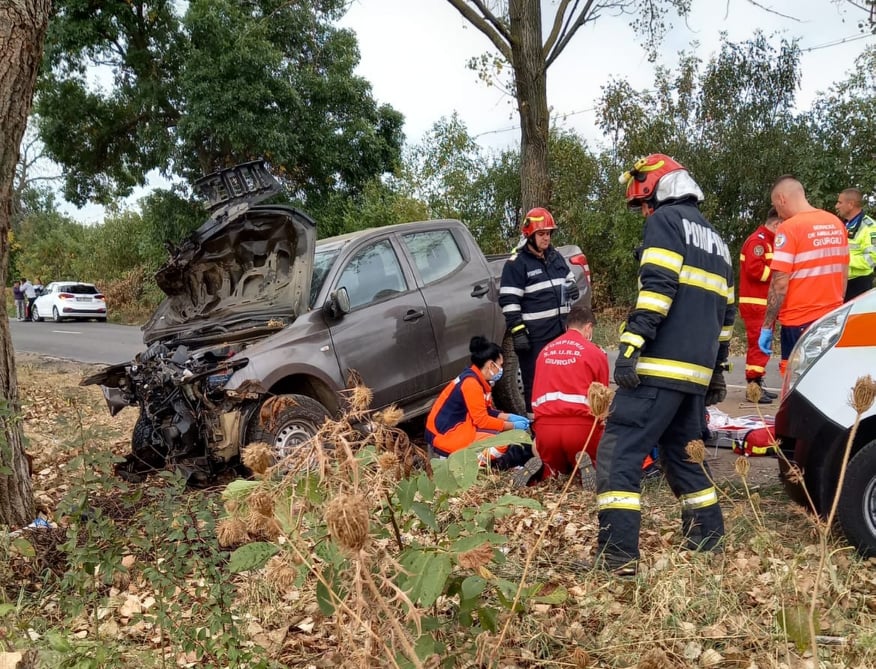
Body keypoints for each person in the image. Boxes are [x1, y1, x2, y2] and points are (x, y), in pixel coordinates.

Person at [592, 153, 735, 576]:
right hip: (694, 376)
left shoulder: (665, 223)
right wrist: (717, 371)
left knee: (618, 454)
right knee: (683, 456)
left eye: (643, 203)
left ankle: (617, 557)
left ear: (656, 190)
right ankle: (708, 541)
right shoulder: (718, 242)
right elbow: (727, 315)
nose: (644, 213)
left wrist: (631, 346)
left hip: (659, 369)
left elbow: (657, 289)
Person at [759, 177, 849, 375]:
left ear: (781, 199)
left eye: (776, 205)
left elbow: (780, 284)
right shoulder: (836, 224)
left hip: (798, 321)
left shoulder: (789, 228)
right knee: (826, 376)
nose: (778, 213)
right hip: (833, 319)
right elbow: (844, 275)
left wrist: (767, 325)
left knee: (796, 380)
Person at [511, 306, 609, 486]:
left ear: (566, 326)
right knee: (605, 449)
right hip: (581, 429)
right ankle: (584, 469)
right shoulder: (595, 353)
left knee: (545, 457)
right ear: (588, 327)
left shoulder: (545, 352)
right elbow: (602, 400)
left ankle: (546, 470)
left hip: (546, 430)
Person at [499, 207, 578, 412]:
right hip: (535, 337)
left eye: (548, 233)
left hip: (560, 332)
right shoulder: (516, 264)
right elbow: (509, 301)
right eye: (541, 234)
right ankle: (535, 426)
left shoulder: (555, 256)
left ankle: (560, 420)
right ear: (530, 235)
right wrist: (518, 332)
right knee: (535, 384)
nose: (546, 238)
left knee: (561, 379)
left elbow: (569, 278)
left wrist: (572, 287)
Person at [425, 336, 531, 463]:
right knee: (501, 444)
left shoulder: (475, 379)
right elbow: (482, 421)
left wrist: (509, 417)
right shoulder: (471, 385)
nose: (501, 369)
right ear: (491, 365)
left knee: (499, 435)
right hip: (446, 436)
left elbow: (486, 411)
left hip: (452, 429)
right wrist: (512, 426)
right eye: (500, 365)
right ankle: (468, 463)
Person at [738, 208, 781, 403]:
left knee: (762, 345)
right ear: (776, 224)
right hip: (756, 304)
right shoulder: (758, 241)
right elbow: (755, 270)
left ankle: (757, 384)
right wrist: (780, 275)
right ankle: (753, 388)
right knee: (758, 345)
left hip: (764, 304)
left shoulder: (768, 241)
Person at [835, 188, 876, 302]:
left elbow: (872, 259)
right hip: (843, 281)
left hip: (859, 284)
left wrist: (843, 260)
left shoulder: (870, 227)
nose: (836, 206)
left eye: (840, 202)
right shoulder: (845, 225)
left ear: (851, 204)